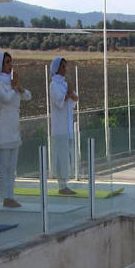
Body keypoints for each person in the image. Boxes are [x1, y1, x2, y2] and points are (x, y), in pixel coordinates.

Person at [0, 51, 32, 208]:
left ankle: (11, 195)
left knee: (12, 166)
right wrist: (15, 88)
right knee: (4, 166)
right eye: (7, 62)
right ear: (0, 65)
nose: (10, 65)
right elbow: (6, 99)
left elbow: (28, 96)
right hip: (3, 126)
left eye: (10, 61)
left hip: (14, 126)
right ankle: (5, 197)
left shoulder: (13, 82)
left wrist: (19, 87)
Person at [48, 57, 77, 196]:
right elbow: (60, 101)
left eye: (65, 66)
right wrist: (69, 93)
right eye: (62, 66)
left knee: (66, 156)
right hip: (59, 127)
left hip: (67, 126)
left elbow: (74, 98)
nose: (65, 69)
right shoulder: (54, 85)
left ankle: (65, 184)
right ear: (56, 68)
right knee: (61, 157)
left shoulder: (64, 84)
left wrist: (70, 92)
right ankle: (62, 185)